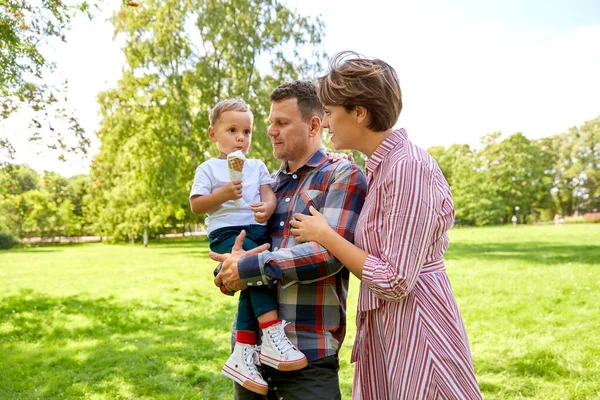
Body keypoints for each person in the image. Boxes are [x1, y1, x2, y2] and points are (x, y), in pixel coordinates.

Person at [289, 52, 483, 399]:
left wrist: (325, 236)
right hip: (392, 324)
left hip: (419, 329)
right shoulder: (383, 167)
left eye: (331, 112)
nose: (327, 122)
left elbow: (394, 280)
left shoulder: (408, 167)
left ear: (359, 113)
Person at [209, 81, 368, 400]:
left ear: (313, 125)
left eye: (281, 122)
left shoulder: (341, 174)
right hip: (249, 358)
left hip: (307, 357)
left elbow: (329, 255)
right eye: (270, 122)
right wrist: (227, 274)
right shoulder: (265, 184)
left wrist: (247, 267)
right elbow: (234, 258)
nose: (270, 131)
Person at [189, 99, 307, 396]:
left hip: (255, 230)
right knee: (256, 275)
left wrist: (266, 209)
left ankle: (243, 351)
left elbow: (268, 195)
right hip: (226, 233)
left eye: (247, 131)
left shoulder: (256, 166)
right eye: (232, 130)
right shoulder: (209, 168)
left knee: (253, 278)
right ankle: (269, 333)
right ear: (213, 135)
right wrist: (225, 193)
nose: (240, 137)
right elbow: (197, 205)